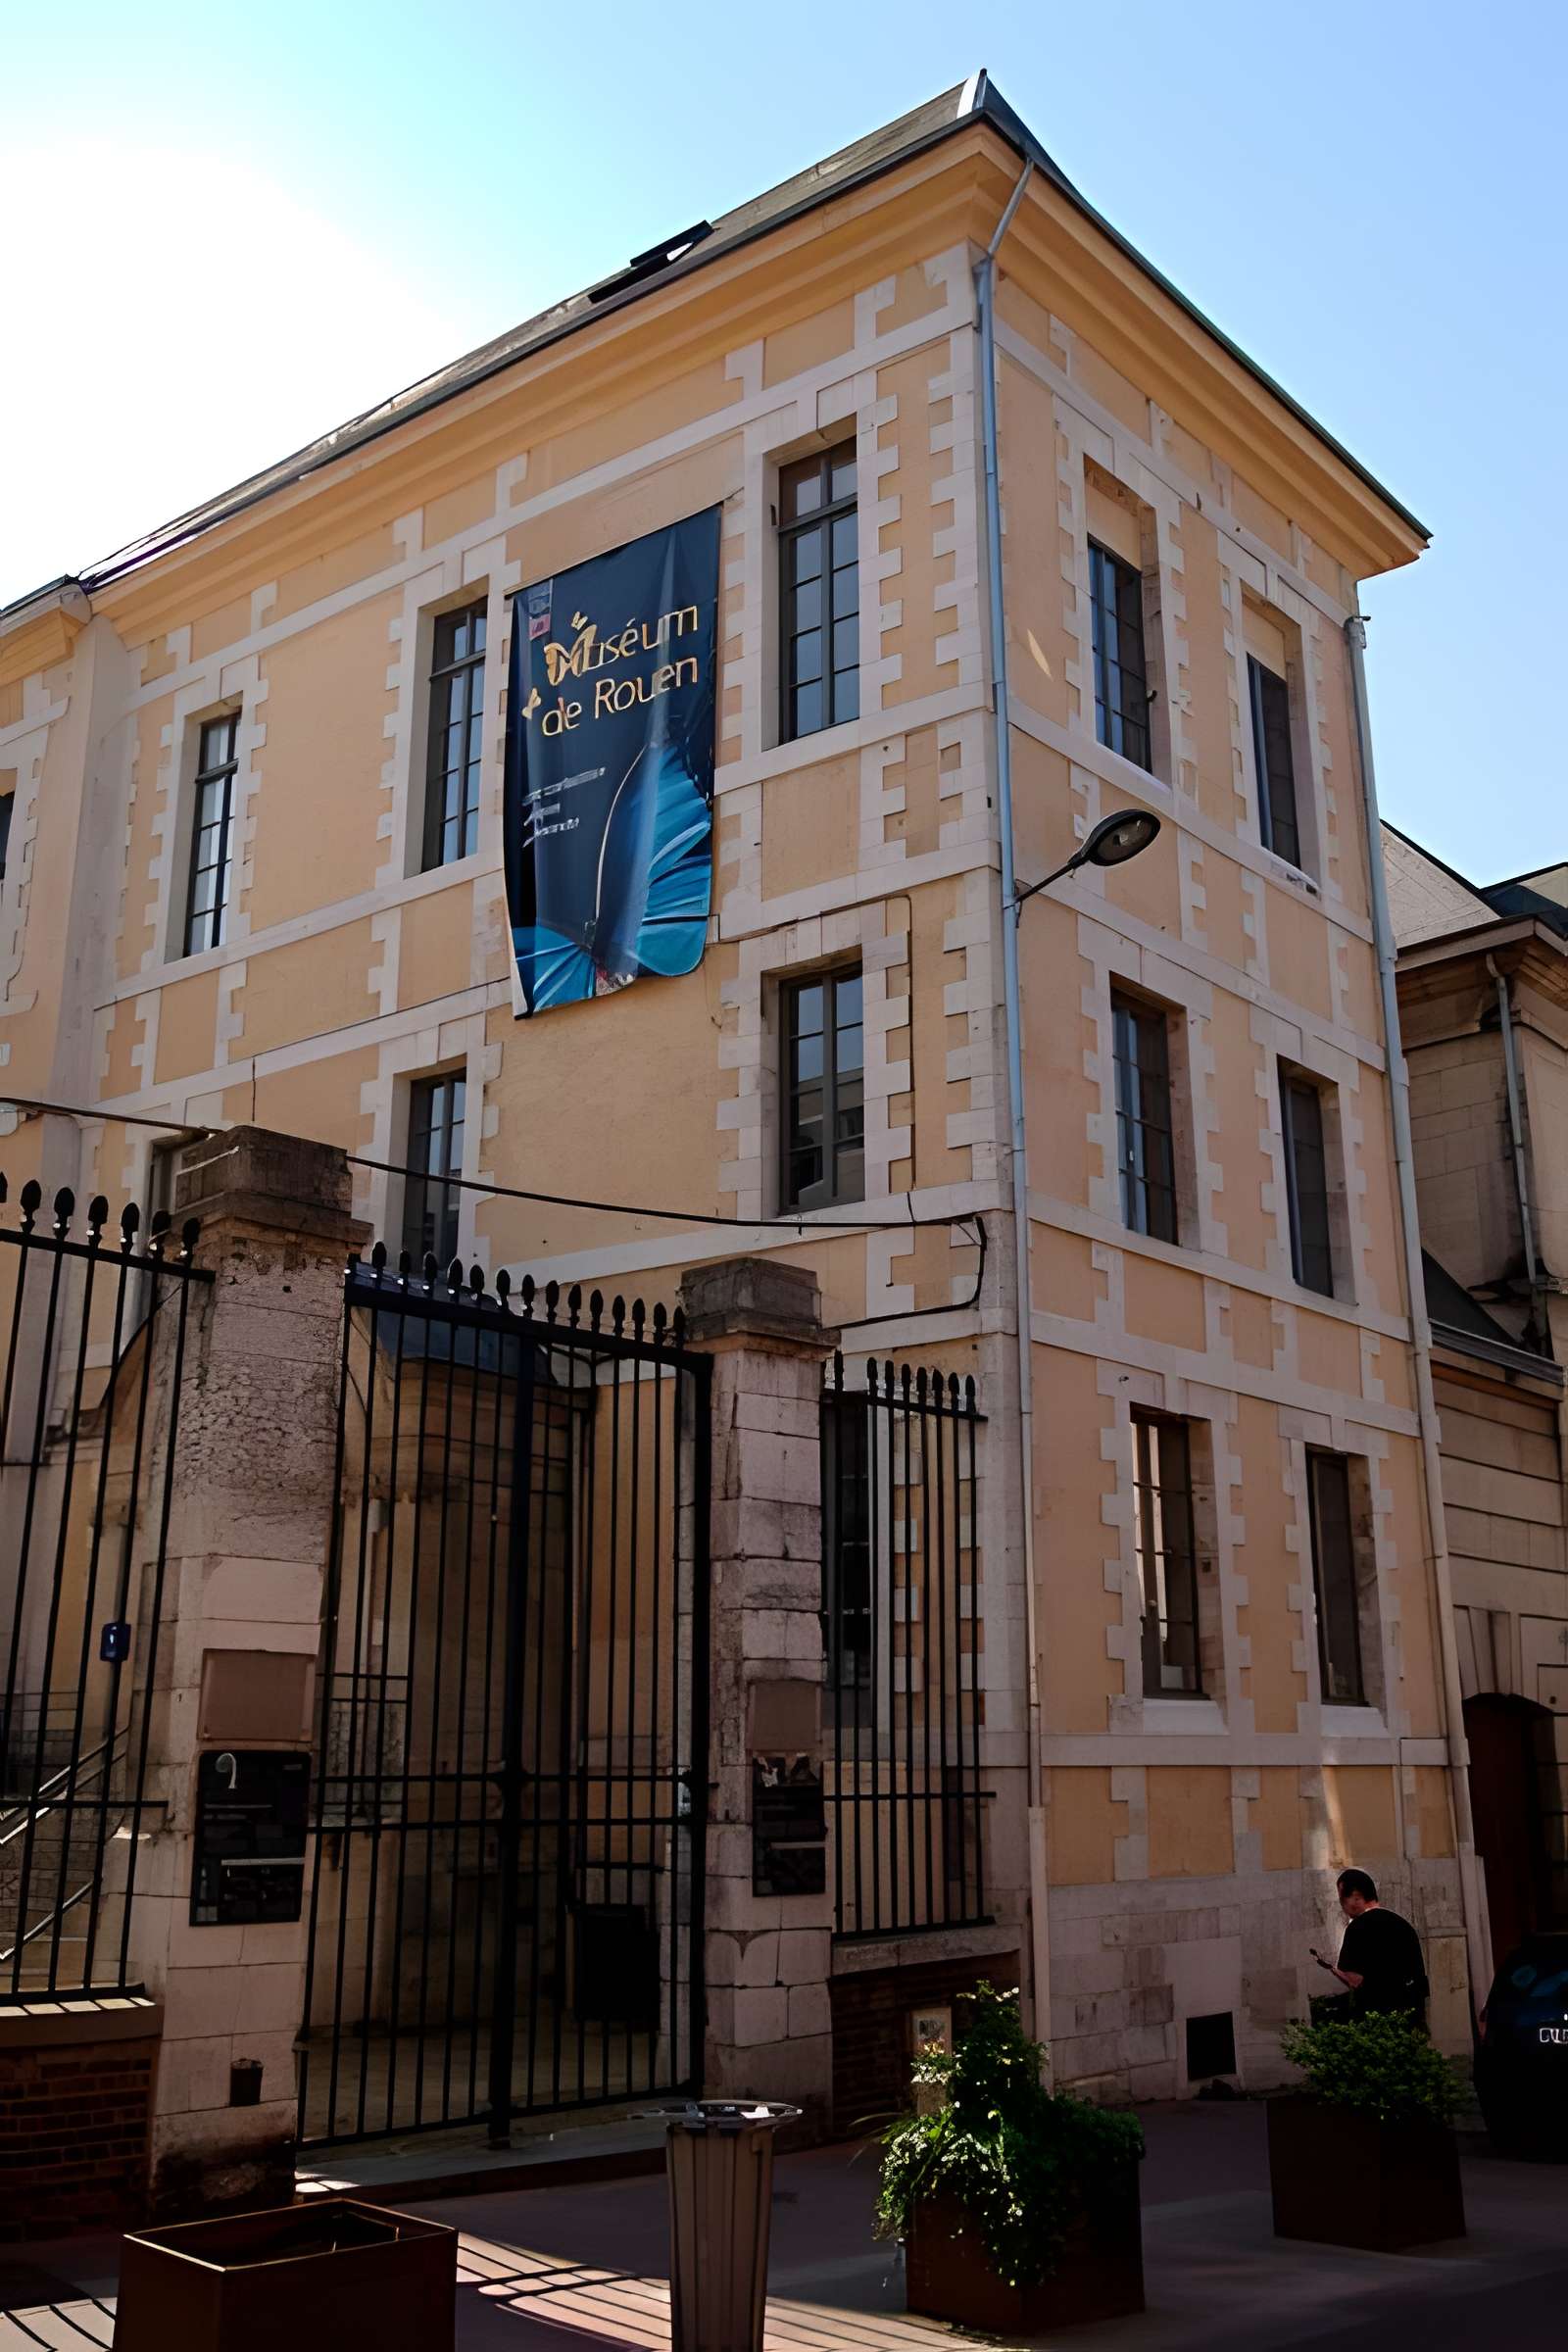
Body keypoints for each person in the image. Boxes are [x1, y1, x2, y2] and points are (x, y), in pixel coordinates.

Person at [1312, 1869, 1428, 2025]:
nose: (1342, 1906)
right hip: (1410, 2018)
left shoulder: (1357, 1928)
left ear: (1355, 1896)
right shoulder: (1403, 1925)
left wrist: (1330, 1967)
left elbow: (1354, 1980)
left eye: (1342, 1900)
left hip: (1378, 2020)